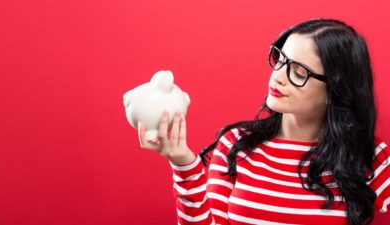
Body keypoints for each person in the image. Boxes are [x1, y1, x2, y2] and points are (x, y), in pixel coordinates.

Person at [137, 18, 389, 225]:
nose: (278, 77)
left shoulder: (370, 157)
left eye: (298, 73)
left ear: (335, 90)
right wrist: (183, 164)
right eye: (280, 60)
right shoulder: (236, 144)